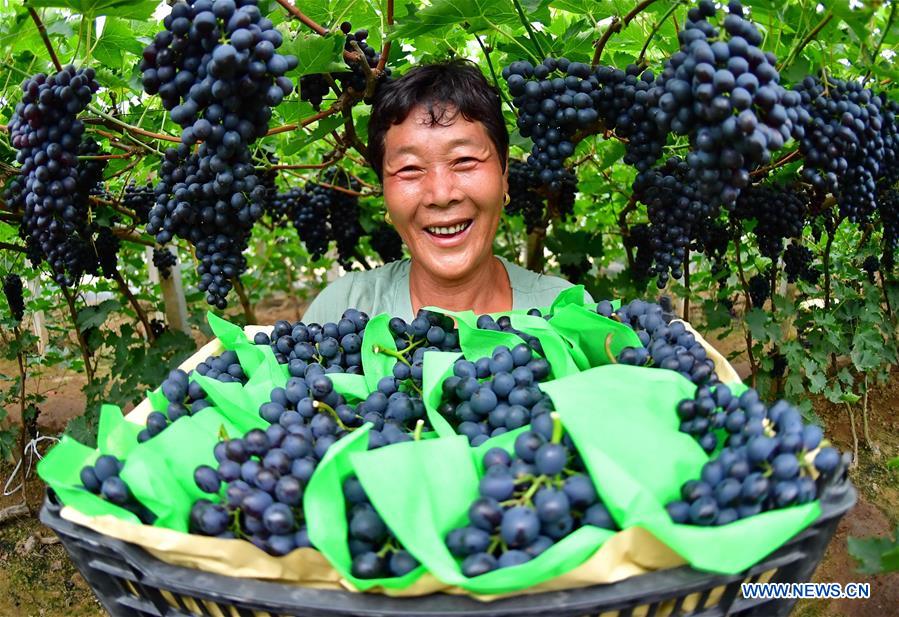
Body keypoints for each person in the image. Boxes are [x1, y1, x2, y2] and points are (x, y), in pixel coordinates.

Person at [302, 59, 592, 324]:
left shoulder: (567, 312)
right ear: (383, 189)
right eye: (409, 169)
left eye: (465, 160)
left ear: (504, 173)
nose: (441, 195)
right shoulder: (339, 310)